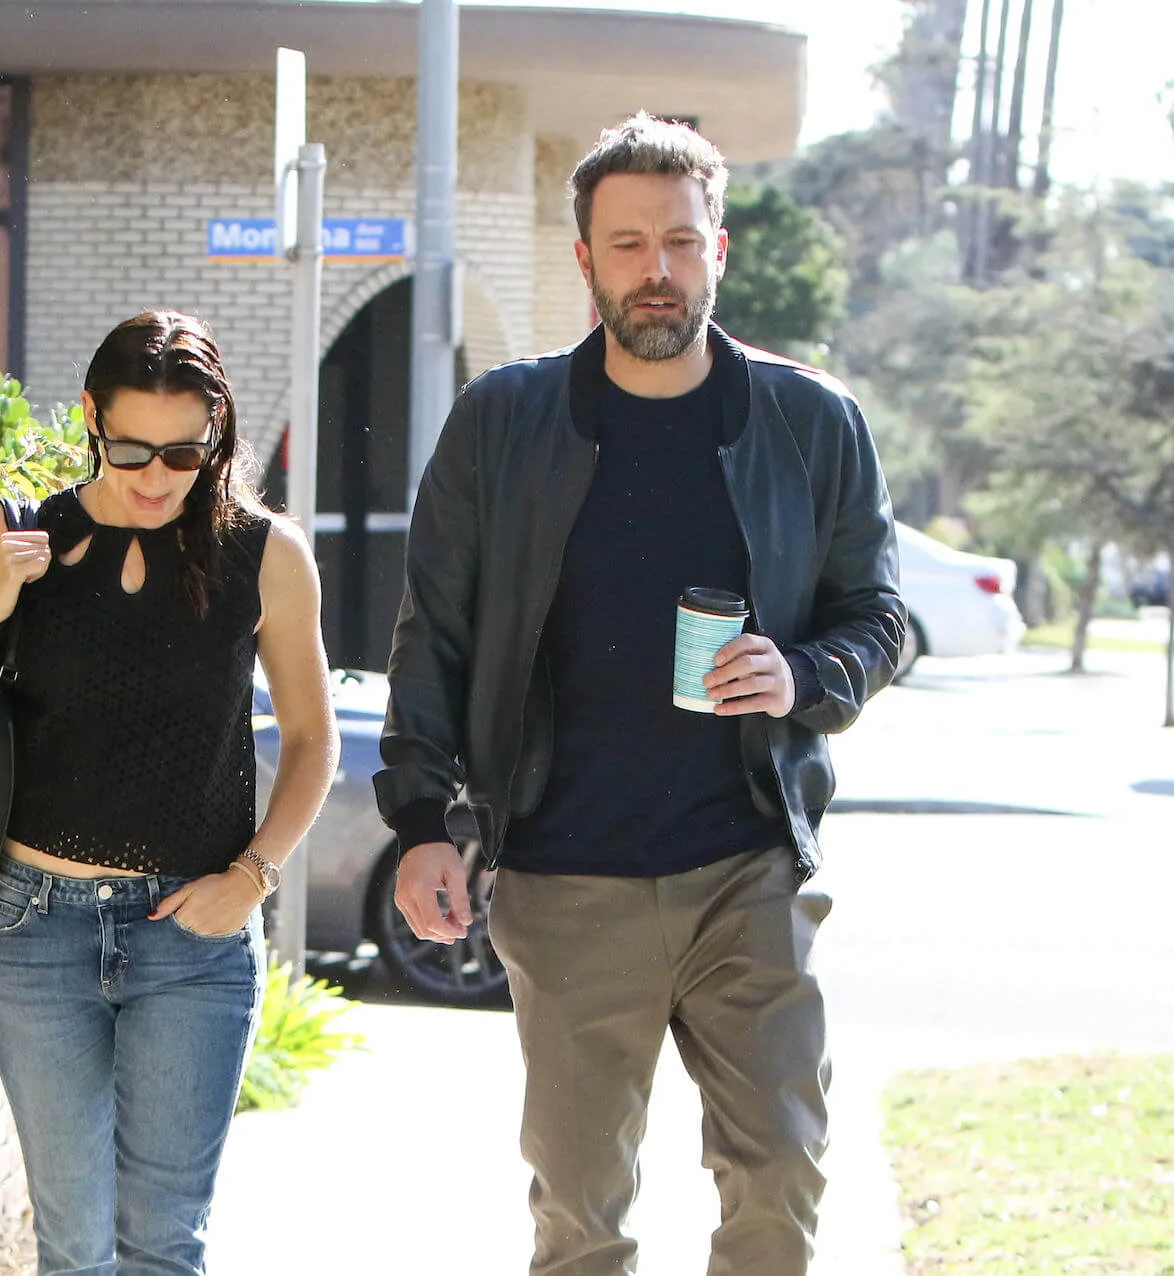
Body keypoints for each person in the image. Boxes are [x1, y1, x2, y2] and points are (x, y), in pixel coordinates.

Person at [375, 115, 905, 1276]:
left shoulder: (807, 421)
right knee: (578, 1208)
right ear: (585, 261)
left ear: (718, 247)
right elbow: (436, 634)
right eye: (626, 245)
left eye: (677, 240)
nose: (654, 270)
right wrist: (421, 822)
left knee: (777, 1172)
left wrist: (799, 673)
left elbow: (878, 618)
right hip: (565, 880)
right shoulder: (504, 422)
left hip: (746, 866)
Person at [0, 310, 338, 1275]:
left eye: (183, 454)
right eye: (131, 449)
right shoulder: (19, 537)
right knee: (75, 1247)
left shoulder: (266, 553)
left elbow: (310, 738)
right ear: (91, 416)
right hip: (35, 929)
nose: (155, 478)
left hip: (196, 938)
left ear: (215, 434)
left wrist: (254, 877)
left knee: (164, 1244)